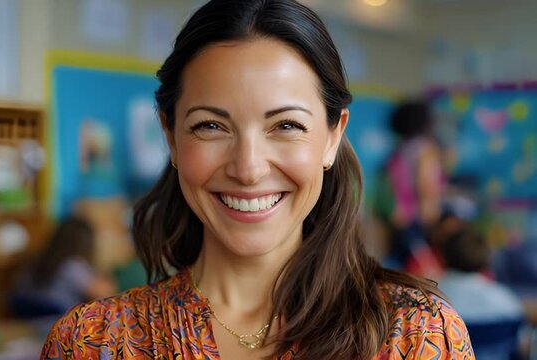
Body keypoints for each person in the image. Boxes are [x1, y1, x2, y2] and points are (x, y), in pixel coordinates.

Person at [42, 0, 474, 358]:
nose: (248, 169)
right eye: (211, 126)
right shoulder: (92, 342)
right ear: (170, 137)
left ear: (332, 137)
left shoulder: (418, 335)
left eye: (286, 125)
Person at [436, 218, 528, 359]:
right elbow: (521, 346)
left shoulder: (430, 299)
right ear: (486, 258)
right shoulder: (506, 300)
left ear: (444, 256)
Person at [376, 100, 445, 277]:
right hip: (417, 218)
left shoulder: (400, 149)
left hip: (396, 217)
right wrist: (432, 210)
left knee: (398, 269)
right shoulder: (425, 148)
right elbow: (426, 184)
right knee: (424, 271)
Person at [10, 216, 117, 317]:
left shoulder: (37, 258)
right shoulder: (72, 265)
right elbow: (102, 293)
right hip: (57, 319)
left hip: (25, 318)